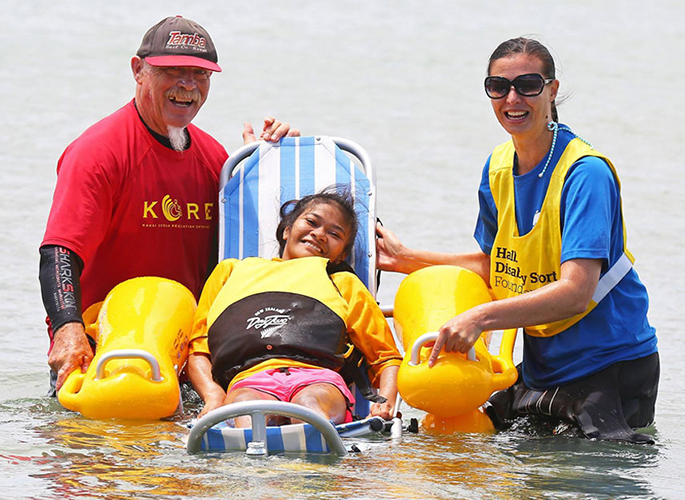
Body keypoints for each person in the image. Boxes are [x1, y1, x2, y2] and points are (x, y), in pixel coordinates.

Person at [376, 37, 659, 443]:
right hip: (542, 367)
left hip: (608, 367)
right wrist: (406, 258)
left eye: (528, 84)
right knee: (457, 438)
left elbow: (576, 292)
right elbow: (499, 266)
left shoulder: (586, 174)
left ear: (552, 90)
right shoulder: (497, 168)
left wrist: (478, 318)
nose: (512, 98)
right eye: (498, 87)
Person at [40, 15, 298, 395]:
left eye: (200, 75)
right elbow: (60, 251)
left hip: (186, 356)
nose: (188, 86)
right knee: (90, 451)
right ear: (138, 71)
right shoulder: (99, 151)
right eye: (173, 71)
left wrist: (273, 161)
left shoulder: (216, 159)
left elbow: (252, 254)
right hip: (105, 346)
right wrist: (67, 329)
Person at [187, 190, 401, 425]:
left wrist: (386, 402)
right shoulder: (231, 272)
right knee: (245, 407)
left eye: (334, 234)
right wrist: (213, 395)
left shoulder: (342, 283)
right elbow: (199, 349)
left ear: (342, 255)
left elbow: (385, 357)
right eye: (312, 222)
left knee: (308, 403)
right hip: (249, 379)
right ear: (287, 229)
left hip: (319, 380)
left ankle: (309, 452)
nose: (319, 234)